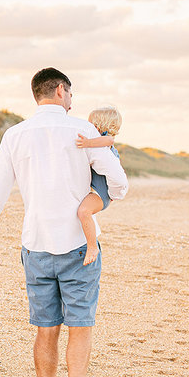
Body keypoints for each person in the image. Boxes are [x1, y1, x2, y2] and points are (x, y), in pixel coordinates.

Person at [0, 67, 128, 377]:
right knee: (80, 326)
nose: (72, 100)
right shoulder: (83, 130)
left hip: (37, 245)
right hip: (79, 246)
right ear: (61, 91)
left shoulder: (15, 135)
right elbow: (119, 182)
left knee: (46, 330)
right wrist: (104, 198)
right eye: (70, 94)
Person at [74, 106, 123, 266]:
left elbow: (109, 140)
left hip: (100, 194)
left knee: (84, 211)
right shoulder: (99, 144)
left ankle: (92, 246)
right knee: (83, 212)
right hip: (97, 192)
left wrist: (87, 142)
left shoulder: (105, 143)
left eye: (90, 123)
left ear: (98, 125)